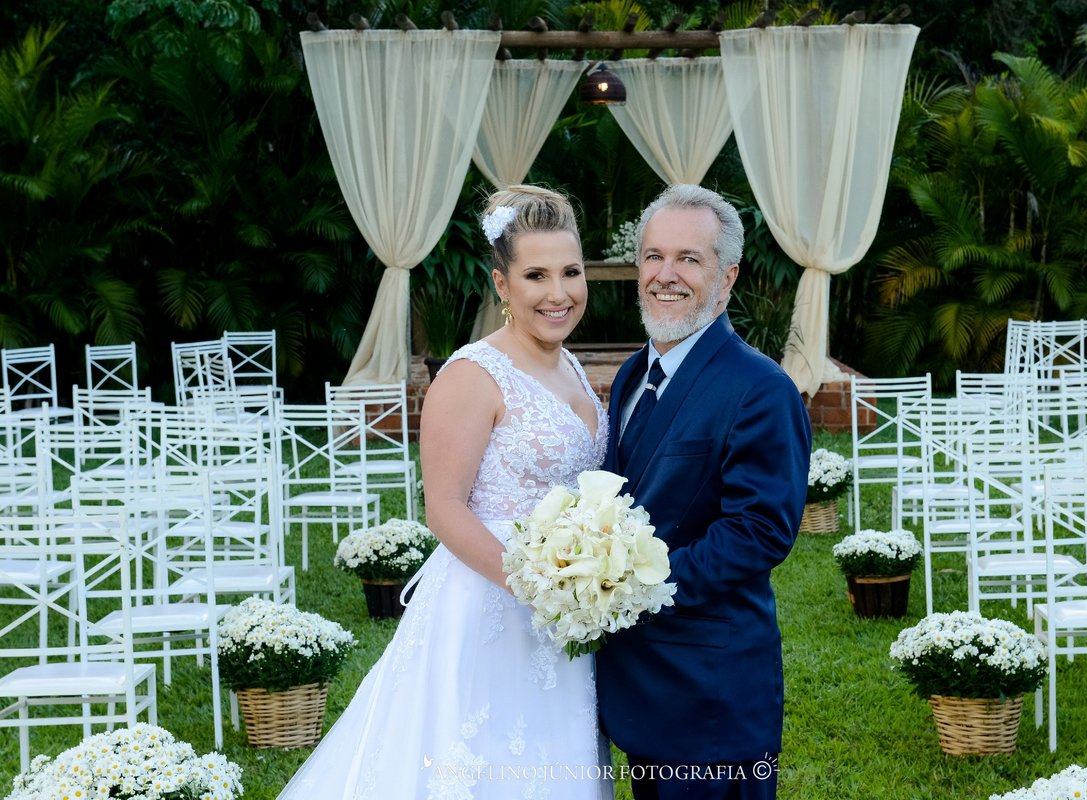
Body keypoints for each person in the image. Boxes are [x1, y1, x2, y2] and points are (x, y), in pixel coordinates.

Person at [277, 185, 613, 799]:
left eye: (571, 272)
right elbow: (445, 509)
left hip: (567, 611)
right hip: (492, 605)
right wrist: (538, 588)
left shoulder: (568, 366)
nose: (559, 293)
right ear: (502, 284)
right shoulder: (471, 375)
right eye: (536, 275)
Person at [595, 184, 812, 799]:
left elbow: (758, 532)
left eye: (688, 259)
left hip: (711, 694)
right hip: (640, 686)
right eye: (654, 256)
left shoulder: (761, 389)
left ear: (727, 278)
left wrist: (632, 586)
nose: (666, 275)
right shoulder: (633, 374)